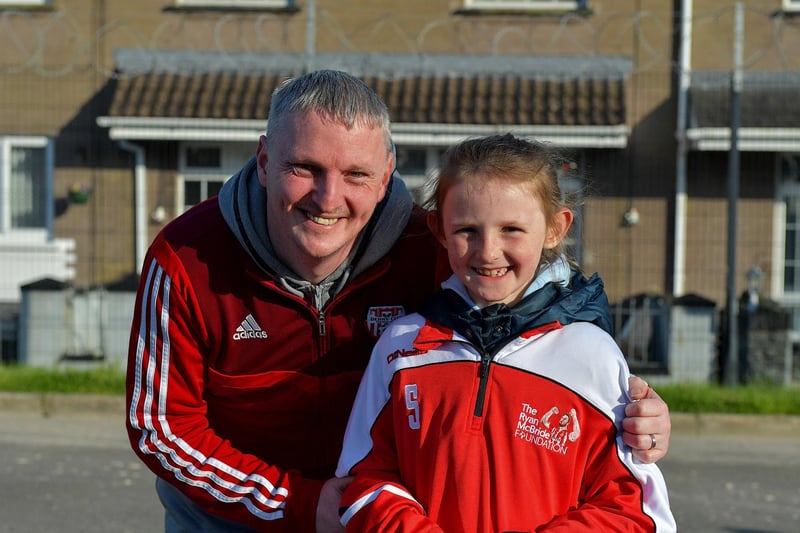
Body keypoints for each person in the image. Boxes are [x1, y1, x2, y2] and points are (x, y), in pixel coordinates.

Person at [125, 70, 672, 533]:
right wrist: (302, 501)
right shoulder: (186, 257)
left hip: (377, 513)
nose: (327, 198)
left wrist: (630, 404)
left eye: (356, 174)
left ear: (387, 175)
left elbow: (540, 298)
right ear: (265, 160)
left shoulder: (431, 247)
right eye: (304, 168)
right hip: (233, 516)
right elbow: (160, 427)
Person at [336, 134, 676, 531]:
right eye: (467, 230)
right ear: (439, 229)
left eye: (511, 229)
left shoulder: (591, 354)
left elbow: (637, 511)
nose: (488, 251)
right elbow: (362, 479)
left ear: (555, 228)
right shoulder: (402, 347)